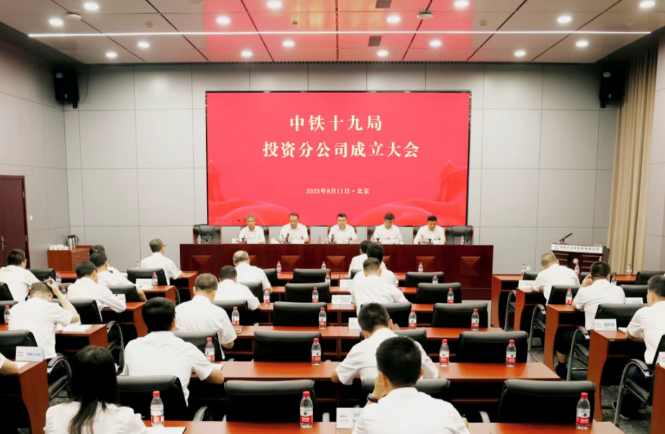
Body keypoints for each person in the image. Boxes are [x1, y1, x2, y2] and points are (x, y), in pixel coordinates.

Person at [352, 336, 468, 434]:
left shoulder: (368, 416)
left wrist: (374, 398)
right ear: (420, 373)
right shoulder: (447, 411)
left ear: (381, 377)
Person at [122, 298, 225, 404]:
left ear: (145, 322)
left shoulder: (131, 346)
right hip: (177, 414)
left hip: (137, 412)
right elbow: (218, 379)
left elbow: (125, 378)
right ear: (174, 322)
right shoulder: (187, 349)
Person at [45, 346, 146, 434]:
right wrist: (135, 422)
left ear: (74, 379)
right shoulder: (125, 417)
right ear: (111, 381)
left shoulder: (53, 413)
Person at [332, 303, 437, 385]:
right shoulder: (413, 345)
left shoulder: (359, 349)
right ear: (390, 324)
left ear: (364, 333)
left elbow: (336, 377)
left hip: (375, 404)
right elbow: (435, 377)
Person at [553, 261, 625, 378]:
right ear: (608, 276)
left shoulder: (586, 291)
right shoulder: (619, 290)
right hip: (615, 337)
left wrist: (582, 287)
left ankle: (561, 368)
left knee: (562, 333)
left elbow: (575, 306)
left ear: (591, 276)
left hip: (592, 338)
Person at [619, 276, 665, 418]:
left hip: (657, 377)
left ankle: (627, 410)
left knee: (632, 368)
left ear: (651, 295)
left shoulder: (644, 312)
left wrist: (647, 336)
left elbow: (630, 335)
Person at [9, 281, 80, 359]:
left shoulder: (14, 309)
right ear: (50, 296)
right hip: (44, 360)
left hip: (19, 359)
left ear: (29, 296)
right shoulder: (50, 307)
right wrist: (58, 293)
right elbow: (76, 317)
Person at [175, 273, 236, 356]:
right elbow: (229, 344)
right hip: (211, 361)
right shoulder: (219, 312)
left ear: (193, 290)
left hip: (183, 358)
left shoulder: (177, 310)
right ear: (215, 293)